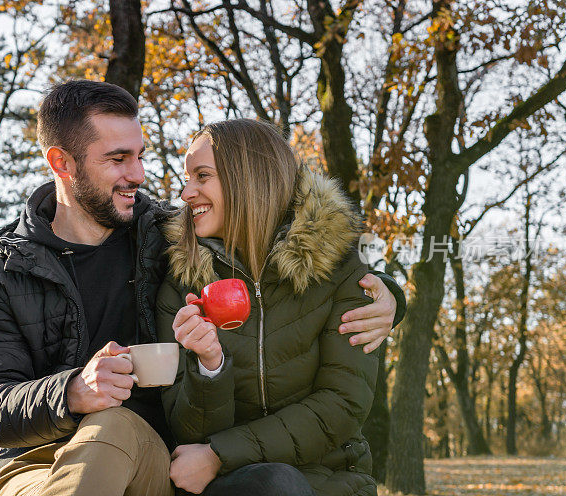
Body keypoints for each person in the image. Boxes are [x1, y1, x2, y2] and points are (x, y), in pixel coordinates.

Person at [0, 81, 404, 496]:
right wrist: (73, 391)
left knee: (112, 425)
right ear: (62, 163)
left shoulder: (167, 239)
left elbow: (268, 242)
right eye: (118, 159)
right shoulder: (0, 277)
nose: (138, 174)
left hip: (142, 446)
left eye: (140, 155)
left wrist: (386, 293)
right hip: (35, 462)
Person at [156, 119, 391, 496]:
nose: (186, 193)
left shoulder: (341, 268)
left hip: (333, 480)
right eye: (188, 178)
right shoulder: (181, 284)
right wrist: (209, 366)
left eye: (202, 176)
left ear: (249, 178)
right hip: (232, 486)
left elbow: (342, 404)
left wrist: (221, 454)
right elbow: (188, 433)